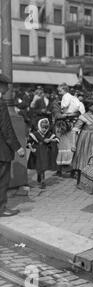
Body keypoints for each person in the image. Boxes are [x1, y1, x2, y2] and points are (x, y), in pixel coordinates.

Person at [0, 74, 26, 216]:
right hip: (2, 150)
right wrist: (18, 147)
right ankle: (1, 208)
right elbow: (6, 129)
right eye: (6, 85)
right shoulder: (1, 103)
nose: (7, 88)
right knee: (2, 180)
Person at [54, 83, 86, 176]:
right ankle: (72, 169)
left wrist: (62, 106)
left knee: (63, 145)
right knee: (72, 144)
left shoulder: (66, 96)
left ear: (64, 90)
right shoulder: (74, 98)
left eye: (60, 90)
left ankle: (64, 168)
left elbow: (65, 105)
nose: (59, 92)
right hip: (74, 121)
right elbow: (81, 109)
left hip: (66, 122)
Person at [71, 99, 93, 185]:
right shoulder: (83, 116)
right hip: (85, 139)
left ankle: (91, 181)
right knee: (83, 158)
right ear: (88, 106)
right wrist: (73, 144)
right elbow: (75, 130)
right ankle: (80, 181)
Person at [27, 118, 59, 189]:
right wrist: (32, 149)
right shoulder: (35, 134)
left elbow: (57, 139)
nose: (44, 129)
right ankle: (39, 176)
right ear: (39, 126)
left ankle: (42, 181)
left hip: (45, 153)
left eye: (46, 127)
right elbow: (29, 142)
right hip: (37, 152)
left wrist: (50, 140)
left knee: (43, 167)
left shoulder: (49, 134)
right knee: (38, 166)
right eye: (43, 127)